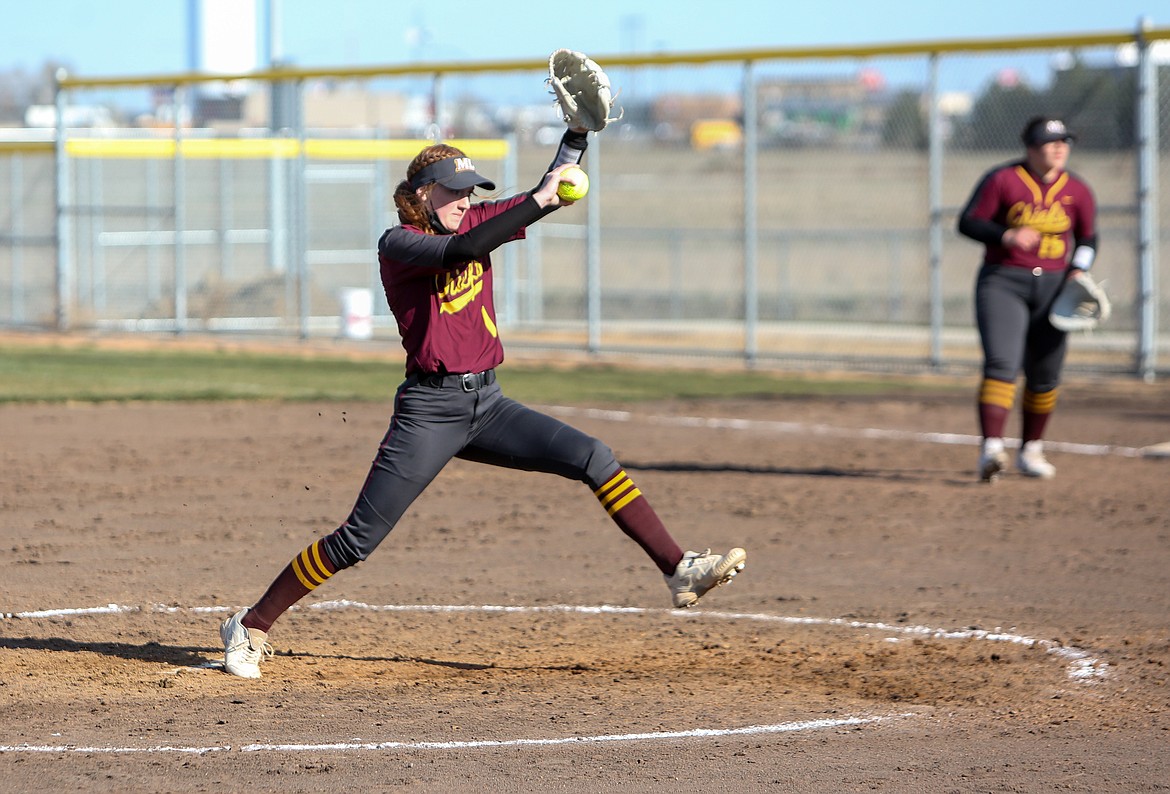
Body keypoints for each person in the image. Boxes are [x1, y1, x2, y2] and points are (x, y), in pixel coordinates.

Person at [218, 125, 747, 678]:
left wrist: (577, 136)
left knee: (593, 455)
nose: (466, 201)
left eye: (472, 192)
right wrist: (539, 199)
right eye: (454, 191)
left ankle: (677, 569)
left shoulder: (474, 221)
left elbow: (547, 188)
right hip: (430, 411)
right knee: (357, 540)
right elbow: (467, 248)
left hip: (488, 405)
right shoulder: (398, 244)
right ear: (422, 193)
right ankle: (251, 625)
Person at [957, 116, 1098, 483]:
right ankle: (991, 450)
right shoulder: (1002, 180)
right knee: (1002, 363)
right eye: (1051, 143)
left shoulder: (1077, 190)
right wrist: (1006, 236)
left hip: (1054, 288)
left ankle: (1031, 450)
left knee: (1045, 374)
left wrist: (1078, 269)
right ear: (1031, 148)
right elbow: (969, 222)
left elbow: (1088, 238)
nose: (1059, 148)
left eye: (1064, 142)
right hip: (1004, 282)